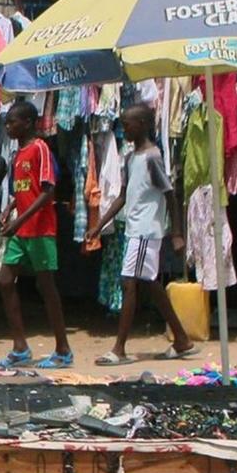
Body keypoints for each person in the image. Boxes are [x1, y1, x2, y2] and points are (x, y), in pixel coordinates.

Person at [91, 104, 196, 365]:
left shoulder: (152, 157)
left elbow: (170, 195)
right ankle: (182, 339)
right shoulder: (130, 158)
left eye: (128, 125)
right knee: (149, 283)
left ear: (143, 125)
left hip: (146, 230)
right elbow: (123, 196)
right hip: (135, 229)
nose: (124, 129)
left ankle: (119, 349)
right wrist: (100, 224)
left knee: (129, 282)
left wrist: (177, 233)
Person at [0, 100, 73, 369]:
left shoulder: (40, 148)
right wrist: (10, 209)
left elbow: (47, 191)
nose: (8, 127)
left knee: (46, 286)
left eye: (12, 122)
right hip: (22, 230)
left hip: (40, 229)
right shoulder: (17, 154)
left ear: (27, 123)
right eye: (6, 123)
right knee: (4, 280)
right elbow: (22, 190)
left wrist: (19, 220)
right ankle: (20, 347)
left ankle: (63, 349)